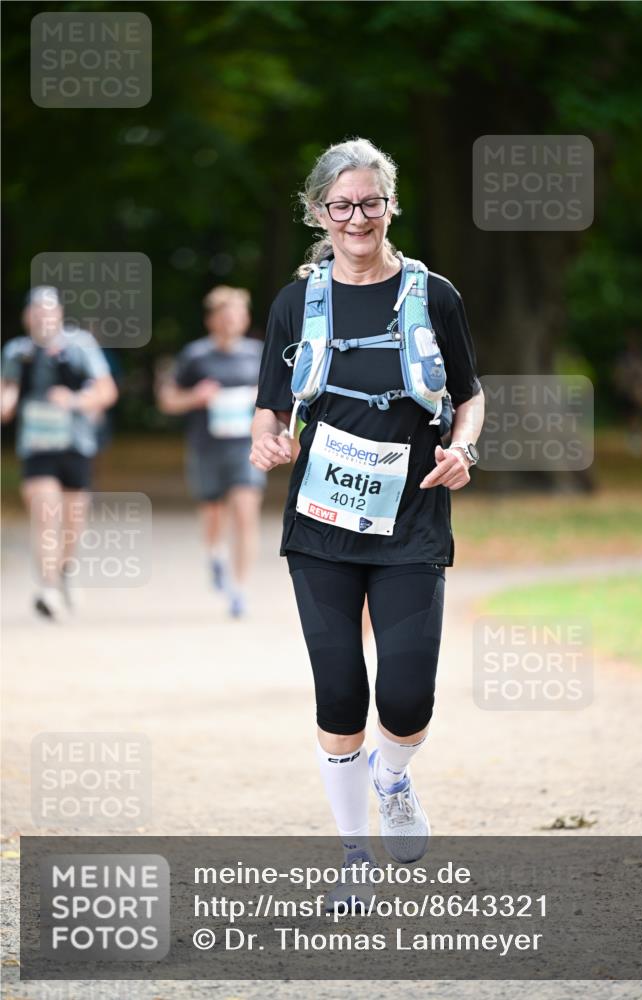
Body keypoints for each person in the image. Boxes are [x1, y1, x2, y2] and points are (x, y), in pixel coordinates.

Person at [250, 138, 484, 909]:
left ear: (390, 206)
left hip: (411, 519)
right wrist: (266, 440)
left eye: (370, 203)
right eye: (341, 205)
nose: (357, 218)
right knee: (340, 691)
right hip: (321, 523)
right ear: (318, 212)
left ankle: (392, 779)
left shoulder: (432, 295)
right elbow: (270, 406)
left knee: (407, 697)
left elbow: (469, 394)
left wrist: (462, 447)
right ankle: (354, 855)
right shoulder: (296, 303)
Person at [0, 286, 118, 620]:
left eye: (48, 310)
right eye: (36, 311)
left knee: (72, 522)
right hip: (37, 445)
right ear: (27, 316)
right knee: (44, 514)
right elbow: (8, 391)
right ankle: (48, 588)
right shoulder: (17, 351)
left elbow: (107, 391)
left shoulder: (80, 346)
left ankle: (65, 569)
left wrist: (74, 400)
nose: (42, 317)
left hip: (76, 444)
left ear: (60, 314)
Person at [157, 286, 265, 617]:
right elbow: (168, 400)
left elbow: (279, 397)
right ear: (211, 320)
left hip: (246, 447)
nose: (231, 321)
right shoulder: (195, 356)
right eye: (224, 315)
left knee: (245, 511)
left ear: (245, 319)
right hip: (206, 447)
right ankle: (215, 555)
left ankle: (240, 589)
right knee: (214, 513)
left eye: (237, 314)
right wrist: (195, 397)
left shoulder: (258, 354)